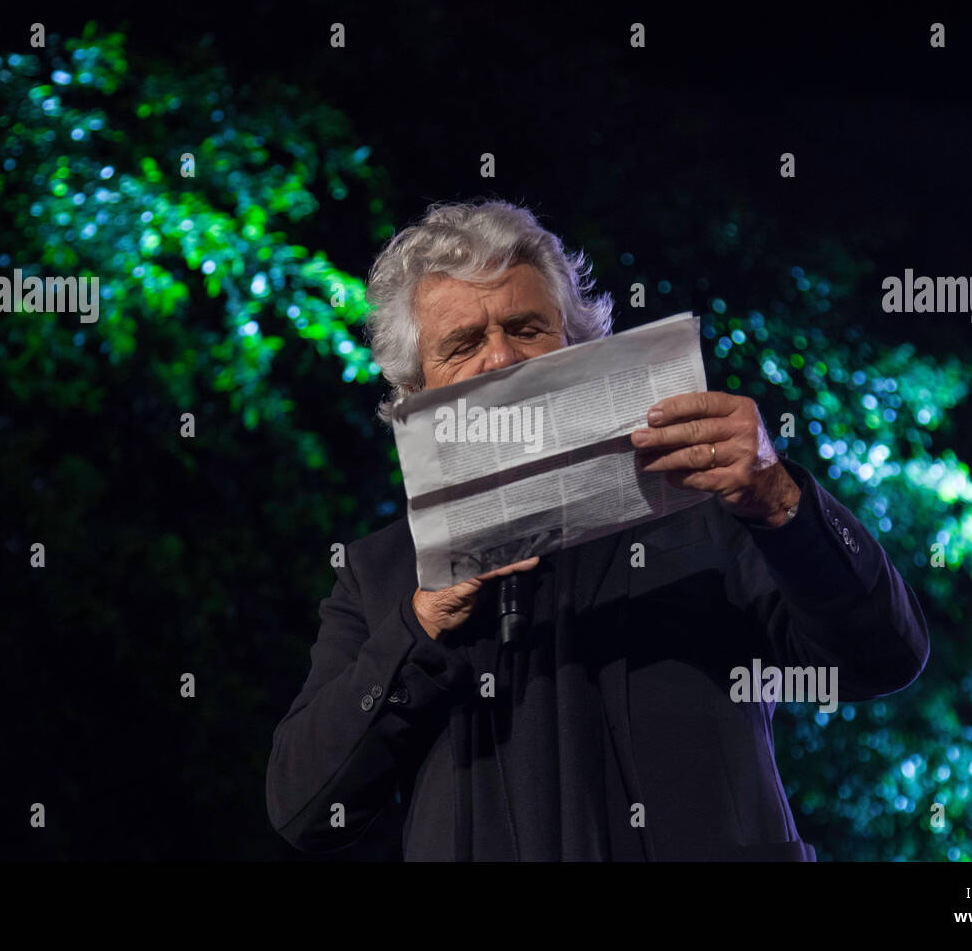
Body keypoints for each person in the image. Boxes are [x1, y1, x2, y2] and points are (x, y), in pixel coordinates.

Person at [265, 198, 930, 860]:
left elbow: (884, 659)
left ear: (578, 346)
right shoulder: (380, 573)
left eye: (526, 328)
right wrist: (420, 629)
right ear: (417, 393)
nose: (500, 360)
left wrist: (782, 499)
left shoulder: (709, 506)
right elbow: (306, 809)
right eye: (463, 343)